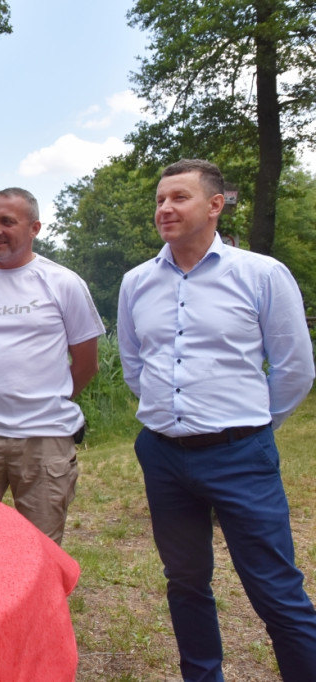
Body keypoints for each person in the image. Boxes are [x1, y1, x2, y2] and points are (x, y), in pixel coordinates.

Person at [117, 159, 316, 681]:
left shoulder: (261, 274)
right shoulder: (137, 282)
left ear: (215, 204)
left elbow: (295, 368)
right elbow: (135, 364)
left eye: (179, 198)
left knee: (276, 590)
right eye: (160, 199)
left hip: (240, 456)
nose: (164, 209)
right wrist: (171, 416)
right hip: (163, 456)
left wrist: (247, 426)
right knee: (184, 582)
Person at [0, 187, 103, 545]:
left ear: (35, 228)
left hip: (45, 437)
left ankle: (40, 603)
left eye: (7, 221)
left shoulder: (63, 283)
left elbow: (87, 362)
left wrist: (47, 399)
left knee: (40, 547)